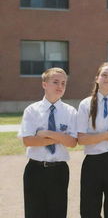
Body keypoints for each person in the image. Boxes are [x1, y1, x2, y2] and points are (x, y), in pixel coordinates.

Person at [18, 67, 77, 218]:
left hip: (59, 171)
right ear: (44, 84)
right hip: (35, 170)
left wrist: (46, 133)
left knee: (58, 213)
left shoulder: (70, 112)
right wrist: (60, 137)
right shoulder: (31, 110)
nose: (60, 86)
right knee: (34, 213)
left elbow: (72, 142)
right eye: (55, 82)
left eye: (63, 83)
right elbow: (28, 140)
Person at [77, 62, 108, 218]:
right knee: (88, 211)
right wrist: (106, 135)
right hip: (92, 163)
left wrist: (94, 137)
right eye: (104, 75)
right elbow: (81, 139)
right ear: (97, 79)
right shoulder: (85, 104)